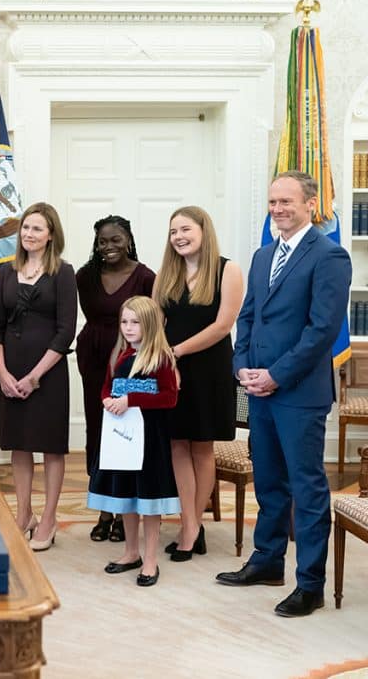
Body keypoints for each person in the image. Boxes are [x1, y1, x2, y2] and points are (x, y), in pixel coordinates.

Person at [217, 171, 351, 617]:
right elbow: (248, 317)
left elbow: (321, 332)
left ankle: (310, 584)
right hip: (258, 390)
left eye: (286, 201)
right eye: (273, 201)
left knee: (306, 489)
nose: (277, 209)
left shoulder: (330, 257)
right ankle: (268, 561)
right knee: (270, 483)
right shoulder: (260, 256)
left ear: (310, 204)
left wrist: (276, 374)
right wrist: (241, 366)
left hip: (298, 393)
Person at [155, 206, 243, 561]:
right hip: (172, 371)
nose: (179, 236)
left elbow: (223, 326)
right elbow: (155, 323)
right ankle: (189, 523)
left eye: (186, 229)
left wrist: (177, 351)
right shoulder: (166, 273)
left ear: (204, 231)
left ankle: (192, 528)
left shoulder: (228, 270)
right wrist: (164, 358)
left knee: (201, 447)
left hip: (209, 369)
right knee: (177, 444)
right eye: (173, 231)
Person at [0, 202, 77, 551]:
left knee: (51, 447)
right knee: (19, 446)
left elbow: (65, 330)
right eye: (26, 228)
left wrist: (35, 376)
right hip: (10, 373)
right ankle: (23, 514)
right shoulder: (7, 273)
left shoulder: (64, 273)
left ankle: (50, 518)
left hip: (48, 374)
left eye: (37, 229)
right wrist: (2, 371)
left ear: (51, 234)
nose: (29, 234)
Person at [87, 296, 180, 587]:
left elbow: (169, 397)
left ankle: (150, 560)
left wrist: (131, 400)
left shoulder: (161, 359)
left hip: (149, 441)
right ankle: (131, 552)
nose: (128, 328)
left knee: (147, 500)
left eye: (135, 322)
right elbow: (106, 386)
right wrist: (107, 400)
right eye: (124, 322)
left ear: (149, 324)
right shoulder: (120, 355)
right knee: (126, 496)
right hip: (121, 439)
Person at [75, 215, 156, 542]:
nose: (108, 247)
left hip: (129, 362)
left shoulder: (146, 277)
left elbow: (151, 323)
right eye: (102, 241)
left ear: (129, 240)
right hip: (93, 359)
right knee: (97, 431)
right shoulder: (84, 276)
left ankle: (127, 512)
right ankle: (104, 509)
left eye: (115, 240)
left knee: (126, 432)